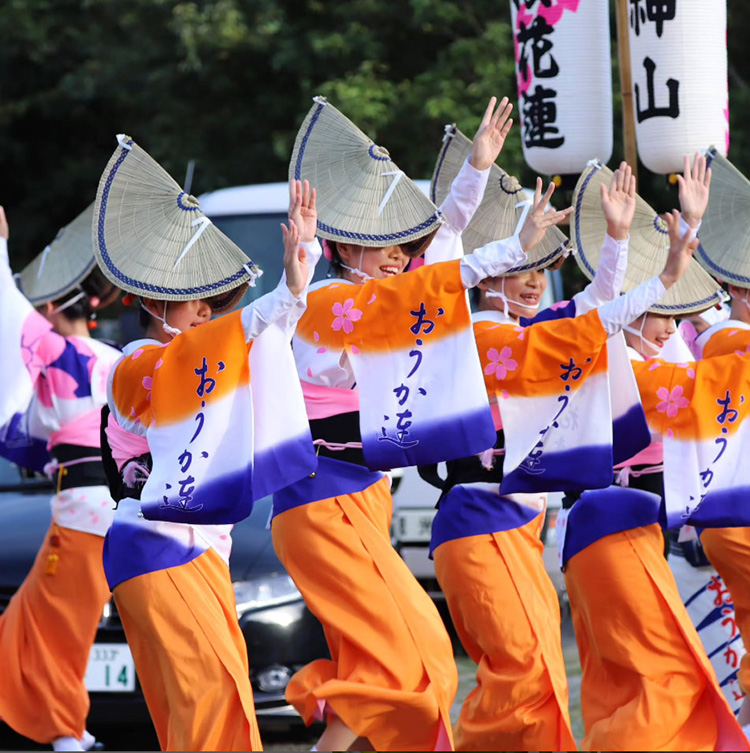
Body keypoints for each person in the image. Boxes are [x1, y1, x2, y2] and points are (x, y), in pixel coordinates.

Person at [271, 95, 571, 752]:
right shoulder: (327, 304)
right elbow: (434, 279)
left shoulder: (376, 300)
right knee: (420, 655)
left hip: (354, 500)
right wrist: (506, 250)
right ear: (344, 247)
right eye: (386, 248)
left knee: (393, 665)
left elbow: (435, 264)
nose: (401, 257)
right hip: (323, 500)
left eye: (403, 247)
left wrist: (476, 174)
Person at [93, 134, 321, 751]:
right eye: (197, 299)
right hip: (157, 544)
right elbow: (208, 355)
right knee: (211, 705)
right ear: (148, 301)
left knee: (201, 711)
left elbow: (258, 351)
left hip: (186, 551)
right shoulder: (135, 365)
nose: (206, 312)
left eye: (214, 302)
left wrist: (296, 282)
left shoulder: (193, 365)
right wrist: (279, 296)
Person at [424, 132, 638, 751]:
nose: (532, 282)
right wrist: (475, 174)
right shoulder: (476, 334)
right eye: (520, 268)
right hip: (477, 519)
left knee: (533, 680)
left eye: (542, 269)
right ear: (491, 269)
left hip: (512, 527)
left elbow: (597, 304)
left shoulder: (526, 331)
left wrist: (617, 240)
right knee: (524, 678)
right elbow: (591, 322)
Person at [562, 156, 749, 751]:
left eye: (673, 316)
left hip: (634, 527)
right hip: (608, 523)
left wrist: (691, 238)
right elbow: (609, 311)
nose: (669, 325)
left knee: (644, 687)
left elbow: (708, 328)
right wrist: (629, 251)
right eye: (655, 313)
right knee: (665, 680)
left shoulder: (667, 360)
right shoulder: (611, 359)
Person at [0, 203, 121, 752]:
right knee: (28, 615)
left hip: (82, 510)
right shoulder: (116, 359)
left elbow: (7, 313)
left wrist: (0, 250)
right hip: (119, 503)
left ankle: (66, 733)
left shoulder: (53, 355)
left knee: (55, 627)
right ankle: (71, 726)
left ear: (49, 308)